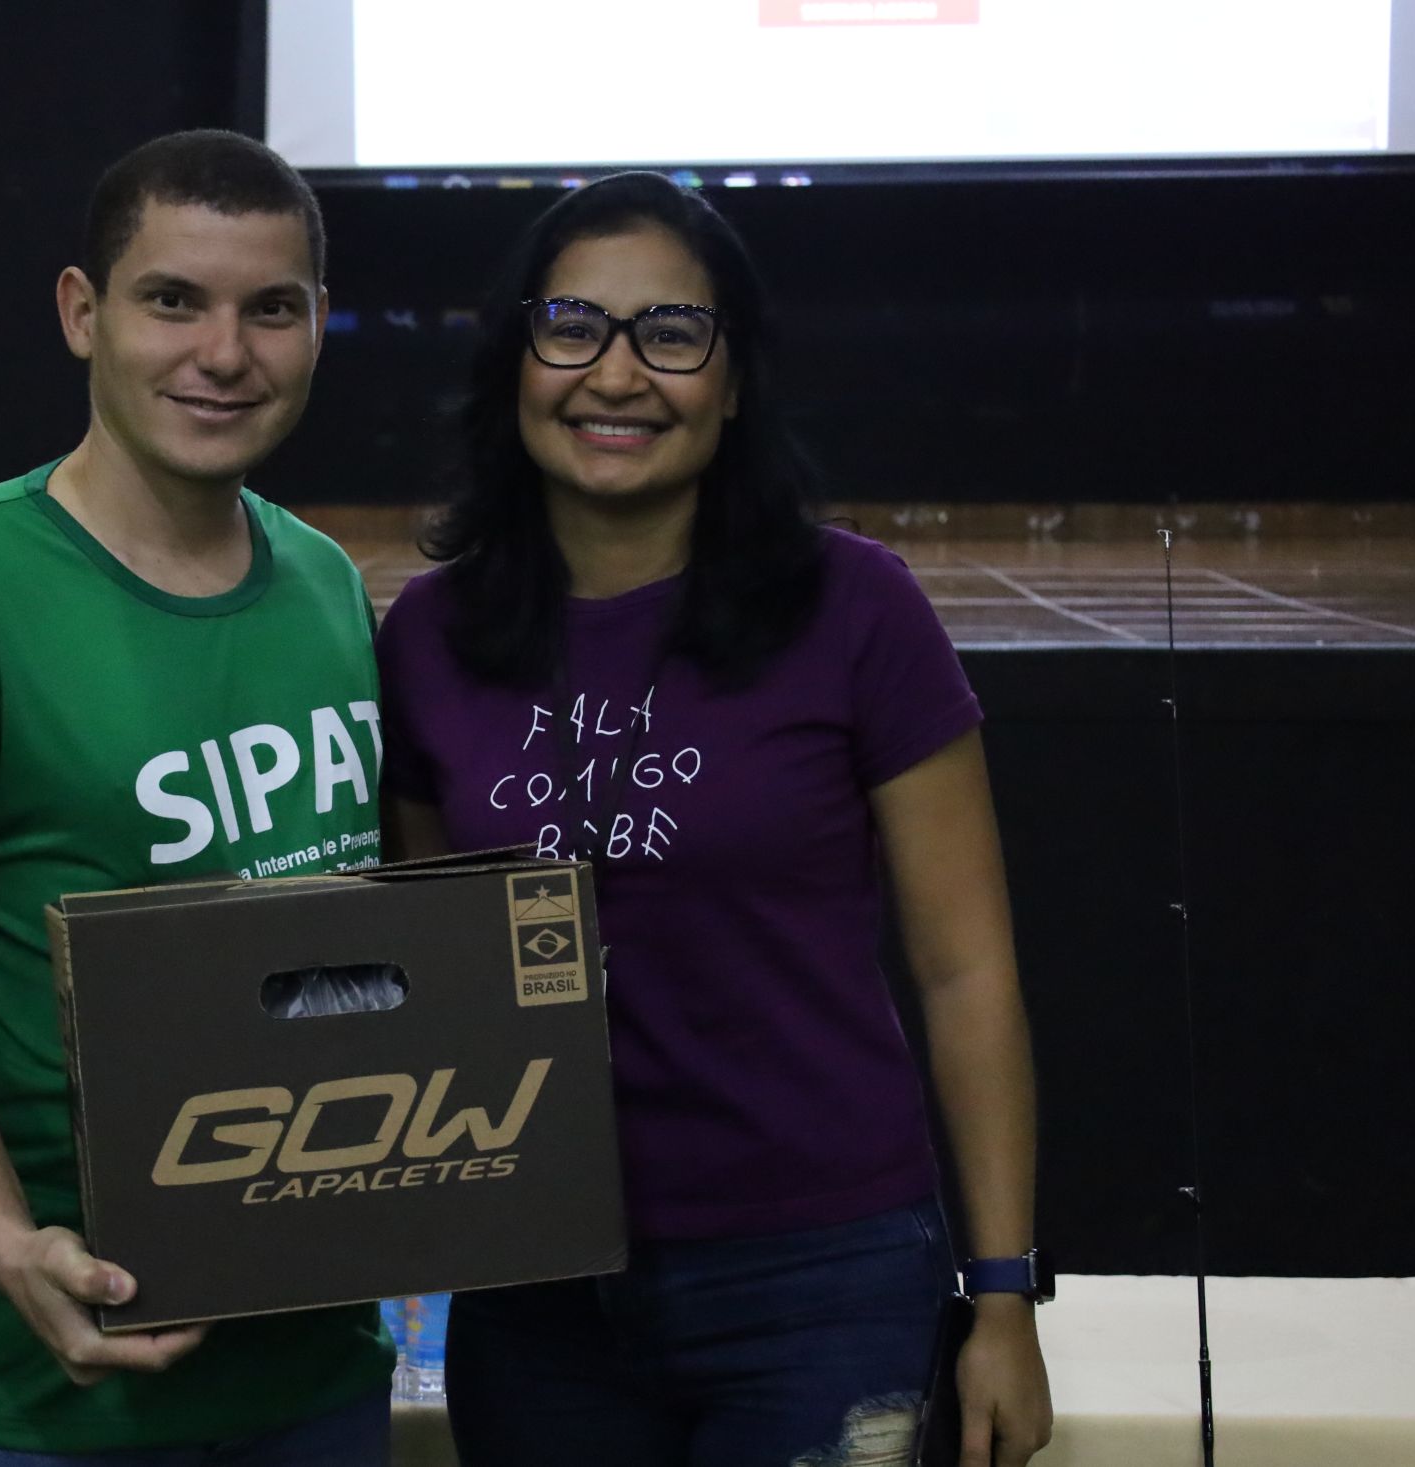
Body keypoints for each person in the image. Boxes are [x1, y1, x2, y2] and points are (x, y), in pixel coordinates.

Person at [375, 172, 1054, 1467]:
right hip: (540, 1298)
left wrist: (1006, 1296)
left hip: (822, 1279)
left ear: (733, 383)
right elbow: (433, 978)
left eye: (672, 334)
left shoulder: (857, 608)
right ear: (516, 360)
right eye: (573, 326)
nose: (616, 374)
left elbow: (966, 973)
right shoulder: (429, 637)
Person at [0, 130, 391, 1465]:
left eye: (272, 310)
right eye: (173, 300)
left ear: (318, 326)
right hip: (25, 1398)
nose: (223, 354)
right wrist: (13, 1246)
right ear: (84, 313)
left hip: (308, 1370)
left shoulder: (324, 584)